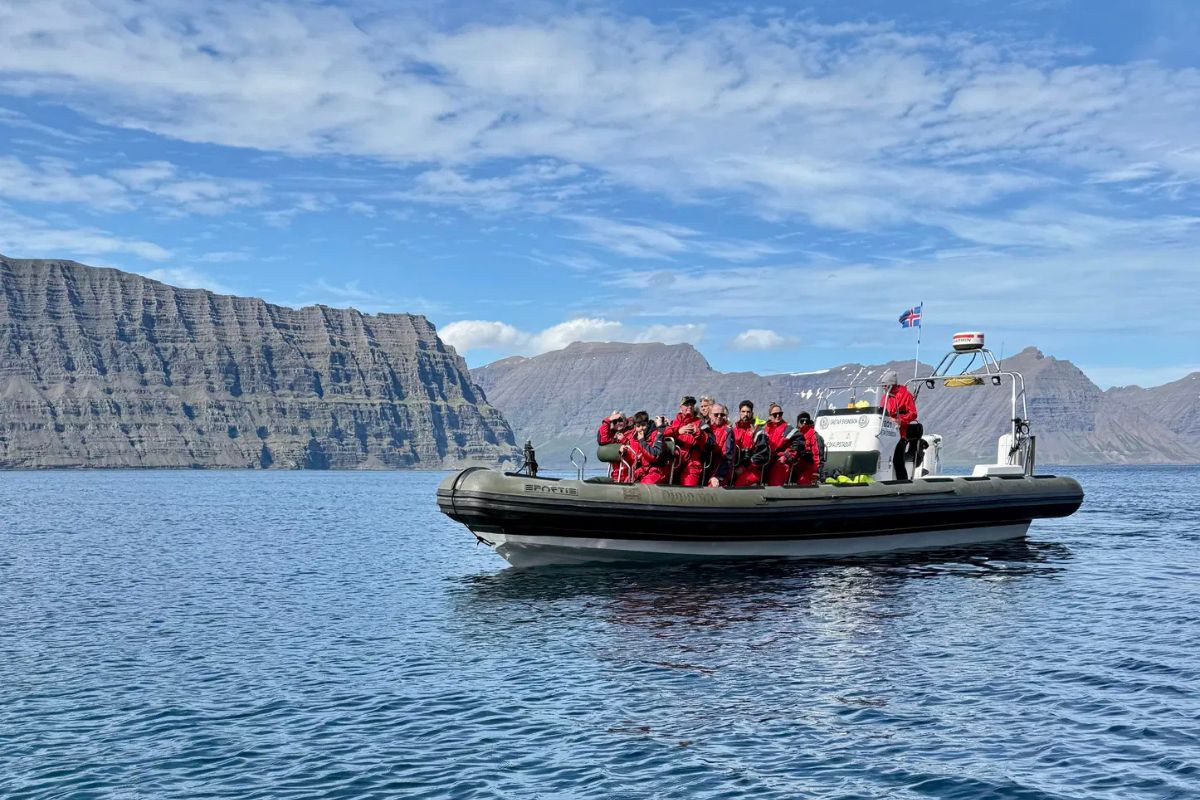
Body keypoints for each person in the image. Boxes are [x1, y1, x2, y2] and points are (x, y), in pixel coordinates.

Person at [881, 369, 918, 480]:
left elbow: (913, 413)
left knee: (898, 461)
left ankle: (904, 484)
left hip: (900, 434)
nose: (884, 388)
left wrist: (900, 419)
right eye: (883, 386)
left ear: (892, 385)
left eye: (886, 385)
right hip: (886, 434)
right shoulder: (884, 397)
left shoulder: (906, 395)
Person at [662, 395, 707, 486]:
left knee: (689, 486)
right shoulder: (674, 422)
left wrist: (697, 432)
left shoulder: (700, 423)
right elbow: (662, 435)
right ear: (681, 407)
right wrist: (678, 431)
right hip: (674, 461)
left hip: (692, 463)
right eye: (686, 404)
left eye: (692, 405)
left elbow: (709, 442)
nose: (689, 406)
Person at [731, 400, 769, 486]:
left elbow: (762, 455)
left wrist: (745, 467)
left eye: (748, 412)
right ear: (739, 413)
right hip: (734, 468)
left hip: (753, 471)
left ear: (752, 413)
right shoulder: (733, 431)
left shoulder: (759, 432)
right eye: (743, 411)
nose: (745, 414)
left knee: (739, 485)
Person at [626, 411, 670, 485]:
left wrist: (642, 441)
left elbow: (654, 456)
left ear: (648, 424)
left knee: (644, 485)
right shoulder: (635, 438)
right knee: (627, 481)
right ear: (635, 427)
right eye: (638, 426)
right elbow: (635, 456)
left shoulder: (656, 434)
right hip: (644, 469)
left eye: (643, 425)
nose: (641, 429)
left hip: (657, 470)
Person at [763, 403, 799, 486]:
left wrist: (785, 456)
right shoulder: (765, 429)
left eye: (780, 414)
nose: (778, 416)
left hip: (780, 463)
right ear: (770, 416)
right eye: (775, 414)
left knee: (775, 485)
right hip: (766, 463)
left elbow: (798, 444)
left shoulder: (788, 429)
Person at [596, 410, 634, 482]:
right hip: (617, 474)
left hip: (629, 474)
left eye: (620, 420)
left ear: (625, 421)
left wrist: (623, 440)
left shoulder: (632, 432)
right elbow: (603, 440)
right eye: (615, 422)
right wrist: (608, 420)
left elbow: (633, 452)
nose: (618, 423)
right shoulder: (614, 435)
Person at [703, 403, 735, 487]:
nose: (719, 416)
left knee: (712, 487)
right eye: (716, 414)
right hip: (705, 467)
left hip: (720, 468)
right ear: (710, 415)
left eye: (722, 414)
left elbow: (728, 456)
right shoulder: (705, 429)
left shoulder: (728, 431)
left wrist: (718, 476)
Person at [792, 412, 821, 486]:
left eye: (807, 421)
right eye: (802, 420)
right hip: (794, 465)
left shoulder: (813, 435)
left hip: (808, 466)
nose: (804, 422)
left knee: (802, 482)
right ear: (798, 422)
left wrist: (815, 472)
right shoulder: (793, 433)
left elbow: (817, 455)